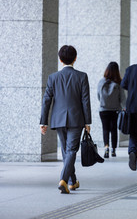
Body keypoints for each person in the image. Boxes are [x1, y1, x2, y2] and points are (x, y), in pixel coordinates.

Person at [40, 45, 91, 194]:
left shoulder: (53, 77)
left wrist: (43, 122)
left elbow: (46, 101)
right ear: (75, 58)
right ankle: (63, 179)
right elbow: (85, 101)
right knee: (71, 150)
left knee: (66, 151)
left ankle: (72, 181)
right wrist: (88, 122)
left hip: (58, 119)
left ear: (60, 60)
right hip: (76, 118)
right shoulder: (82, 76)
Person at [97, 62, 125, 158]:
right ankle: (113, 150)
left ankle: (106, 148)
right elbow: (122, 98)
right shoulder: (118, 82)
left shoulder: (101, 82)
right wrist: (124, 107)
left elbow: (98, 96)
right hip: (115, 110)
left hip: (103, 110)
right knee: (113, 129)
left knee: (105, 129)